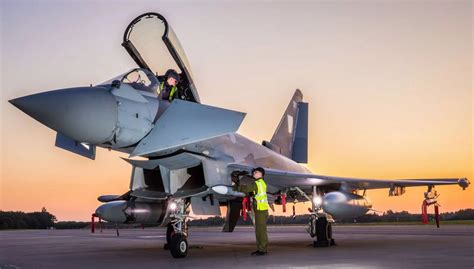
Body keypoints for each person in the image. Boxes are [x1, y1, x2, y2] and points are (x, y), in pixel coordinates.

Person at [234, 167, 269, 256]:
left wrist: (235, 186)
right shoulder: (261, 183)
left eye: (255, 172)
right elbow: (253, 192)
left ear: (260, 174)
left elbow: (246, 188)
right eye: (253, 172)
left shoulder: (257, 183)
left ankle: (262, 250)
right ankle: (262, 248)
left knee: (260, 231)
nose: (253, 174)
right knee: (260, 230)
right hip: (261, 209)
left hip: (261, 210)